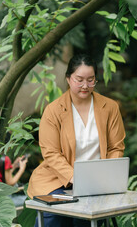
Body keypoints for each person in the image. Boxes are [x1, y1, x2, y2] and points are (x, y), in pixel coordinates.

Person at [27, 54, 126, 227]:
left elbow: (116, 147)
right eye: (79, 80)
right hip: (58, 179)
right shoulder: (53, 111)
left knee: (83, 218)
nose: (85, 86)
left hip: (96, 182)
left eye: (90, 80)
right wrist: (75, 177)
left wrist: (107, 178)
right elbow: (50, 153)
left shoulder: (110, 107)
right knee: (54, 216)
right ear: (68, 78)